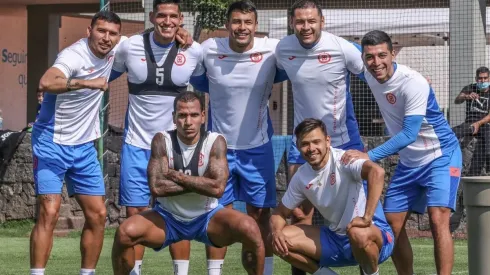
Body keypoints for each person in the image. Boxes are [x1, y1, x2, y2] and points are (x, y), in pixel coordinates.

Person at [179, 1, 288, 274]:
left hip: (258, 148)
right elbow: (199, 77)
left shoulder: (272, 49)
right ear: (227, 25)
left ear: (256, 25)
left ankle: (266, 272)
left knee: (261, 216)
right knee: (217, 214)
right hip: (219, 149)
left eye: (247, 22)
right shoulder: (210, 49)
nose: (242, 28)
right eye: (236, 22)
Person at [341, 30, 462, 275]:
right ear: (364, 60)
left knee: (438, 221)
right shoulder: (368, 74)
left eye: (382, 55)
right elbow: (345, 46)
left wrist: (370, 156)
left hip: (441, 156)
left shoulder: (413, 82)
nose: (376, 62)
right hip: (409, 163)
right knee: (391, 228)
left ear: (393, 54)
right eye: (370, 57)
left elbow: (409, 134)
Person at [111, 92, 265, 275]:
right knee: (124, 233)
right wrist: (202, 182)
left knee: (251, 229)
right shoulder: (162, 140)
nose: (188, 121)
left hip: (208, 216)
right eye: (182, 115)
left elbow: (217, 189)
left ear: (203, 116)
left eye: (193, 115)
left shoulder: (215, 142)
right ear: (174, 118)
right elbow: (157, 187)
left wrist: (176, 176)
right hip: (167, 217)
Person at [109, 0, 202, 273]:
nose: (168, 21)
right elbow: (102, 73)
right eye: (162, 15)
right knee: (135, 215)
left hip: (175, 150)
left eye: (173, 16)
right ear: (151, 17)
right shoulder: (128, 46)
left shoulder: (194, 51)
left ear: (181, 19)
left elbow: (213, 87)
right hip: (136, 146)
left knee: (179, 215)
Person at [275, 1, 365, 273]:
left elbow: (375, 72)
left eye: (311, 21)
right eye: (300, 21)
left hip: (344, 140)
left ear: (322, 22)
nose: (306, 27)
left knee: (357, 217)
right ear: (292, 23)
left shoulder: (343, 48)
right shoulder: (283, 48)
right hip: (301, 143)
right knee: (300, 213)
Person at [30, 11, 123, 275]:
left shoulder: (117, 49)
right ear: (89, 30)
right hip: (51, 142)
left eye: (112, 33)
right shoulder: (73, 55)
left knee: (98, 215)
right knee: (49, 211)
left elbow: (154, 36)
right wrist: (87, 83)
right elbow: (46, 81)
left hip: (84, 147)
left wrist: (181, 35)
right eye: (101, 31)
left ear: (118, 37)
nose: (106, 38)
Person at [270, 118, 394, 275]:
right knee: (277, 239)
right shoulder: (301, 176)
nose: (311, 148)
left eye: (316, 142)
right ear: (299, 147)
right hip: (336, 239)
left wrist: (366, 218)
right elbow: (279, 213)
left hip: (375, 236)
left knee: (358, 233)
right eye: (305, 144)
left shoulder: (344, 160)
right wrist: (276, 233)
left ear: (327, 141)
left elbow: (377, 172)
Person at [452, 66, 490, 176]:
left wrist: (478, 123)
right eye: (480, 78)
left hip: (484, 123)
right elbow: (457, 100)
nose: (482, 81)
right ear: (476, 78)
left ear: (489, 78)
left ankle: (487, 165)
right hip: (469, 122)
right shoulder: (471, 87)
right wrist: (466, 96)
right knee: (452, 133)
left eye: (485, 78)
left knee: (487, 139)